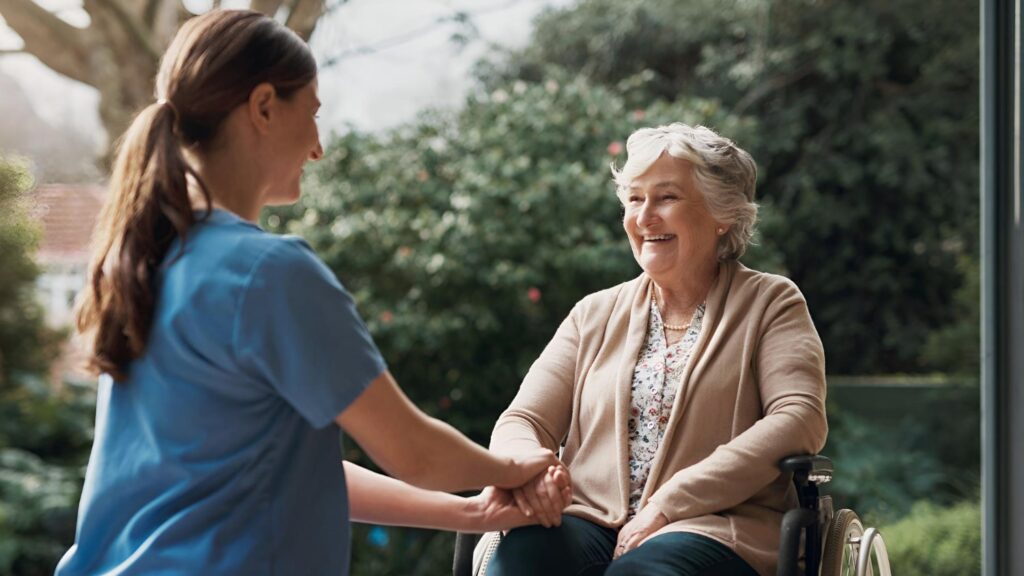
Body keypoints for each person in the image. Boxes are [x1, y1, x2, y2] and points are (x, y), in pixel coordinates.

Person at [56, 10, 567, 575]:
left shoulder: (149, 261)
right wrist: (515, 467)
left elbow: (285, 472)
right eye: (314, 113)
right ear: (265, 106)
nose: (319, 147)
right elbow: (412, 451)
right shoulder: (267, 273)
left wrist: (471, 514)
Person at [482, 123, 828, 576]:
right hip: (588, 517)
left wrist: (670, 502)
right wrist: (530, 470)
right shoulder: (593, 313)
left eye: (665, 197)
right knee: (522, 563)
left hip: (715, 526)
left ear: (721, 213)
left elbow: (799, 418)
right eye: (634, 199)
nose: (644, 217)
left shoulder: (771, 303)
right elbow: (523, 421)